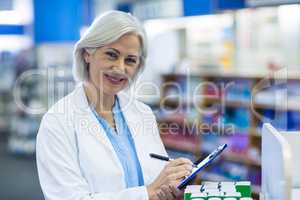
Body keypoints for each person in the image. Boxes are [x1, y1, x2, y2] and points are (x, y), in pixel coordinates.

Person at [36, 10, 193, 200]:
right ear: (88, 54)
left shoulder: (142, 113)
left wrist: (172, 184)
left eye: (130, 60)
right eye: (111, 55)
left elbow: (157, 179)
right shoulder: (57, 122)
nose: (120, 68)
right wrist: (147, 194)